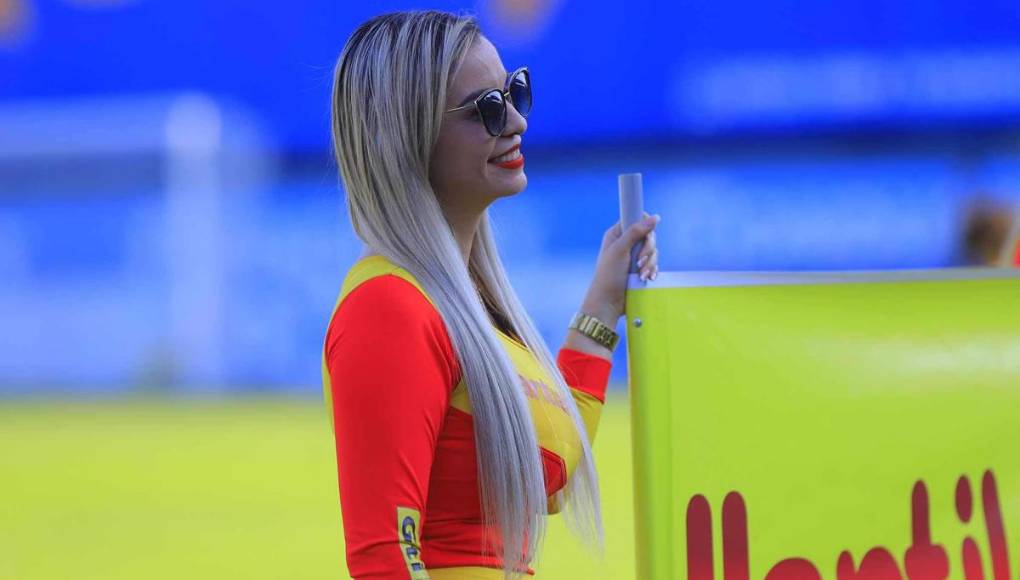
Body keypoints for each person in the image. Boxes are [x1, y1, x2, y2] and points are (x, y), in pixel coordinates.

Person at [322, 10, 660, 579]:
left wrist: (601, 308)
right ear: (407, 136)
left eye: (514, 92)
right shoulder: (389, 307)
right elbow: (384, 557)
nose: (516, 121)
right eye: (486, 108)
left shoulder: (468, 306)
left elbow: (553, 474)